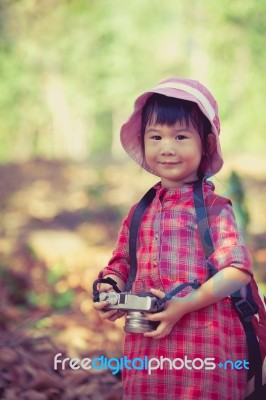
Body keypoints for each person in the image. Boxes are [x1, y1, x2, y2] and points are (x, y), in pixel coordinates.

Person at [93, 78, 253, 399]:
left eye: (180, 136)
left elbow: (237, 271)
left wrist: (185, 305)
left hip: (206, 346)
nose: (167, 147)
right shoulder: (139, 212)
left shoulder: (214, 209)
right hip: (147, 349)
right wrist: (111, 289)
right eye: (156, 136)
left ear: (206, 144)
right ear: (143, 141)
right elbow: (120, 263)